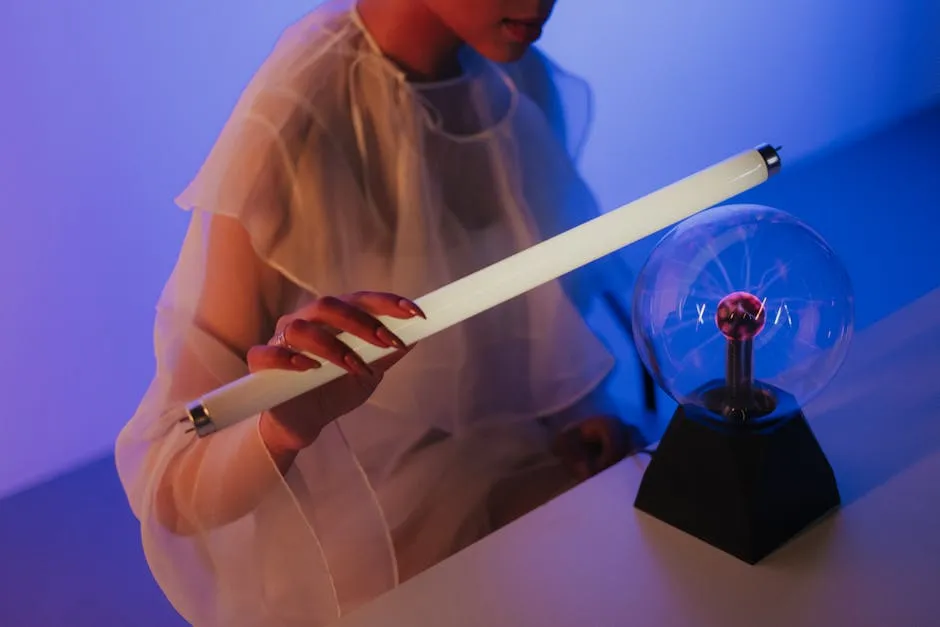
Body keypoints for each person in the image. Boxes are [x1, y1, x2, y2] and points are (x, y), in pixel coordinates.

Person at [115, 0, 642, 625]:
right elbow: (172, 482)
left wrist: (577, 412)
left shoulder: (515, 81)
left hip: (526, 485)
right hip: (379, 551)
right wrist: (282, 426)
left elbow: (532, 316)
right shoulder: (293, 127)